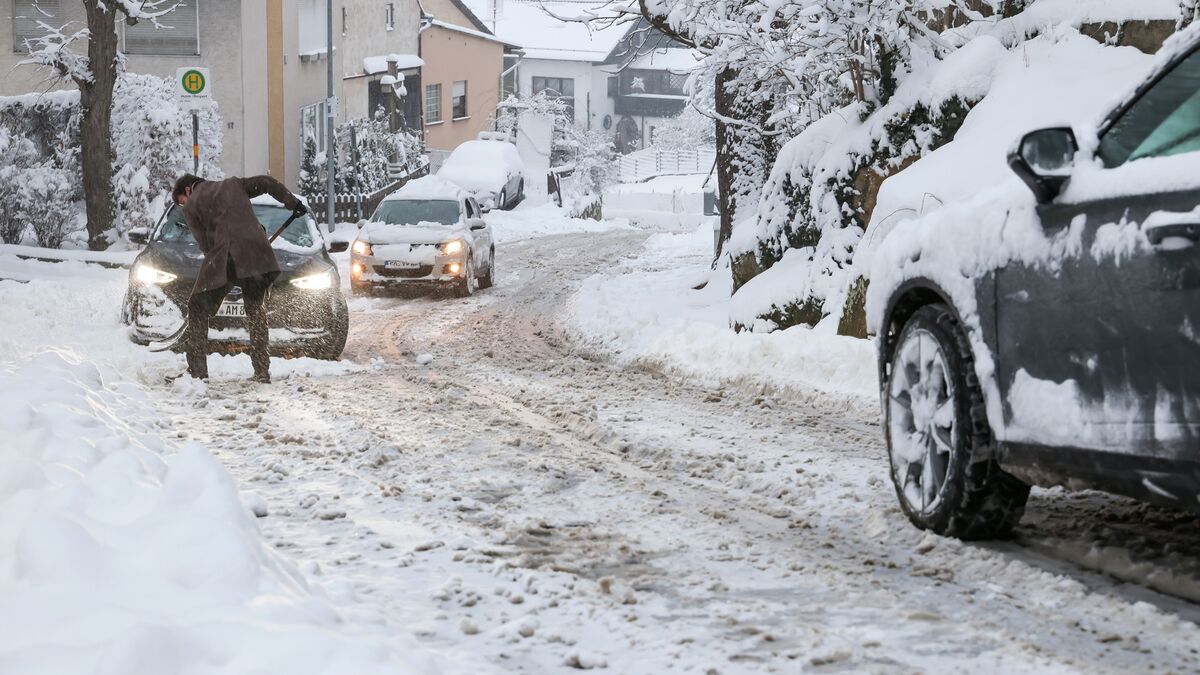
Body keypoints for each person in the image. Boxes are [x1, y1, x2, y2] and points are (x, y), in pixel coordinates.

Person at [171, 173, 307, 383]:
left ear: (187, 190)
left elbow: (206, 246)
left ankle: (197, 372)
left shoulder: (192, 206)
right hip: (256, 254)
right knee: (256, 311)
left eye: (182, 201)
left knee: (197, 307)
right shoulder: (233, 185)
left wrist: (218, 265)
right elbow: (266, 182)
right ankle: (262, 372)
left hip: (225, 258)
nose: (184, 205)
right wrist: (292, 202)